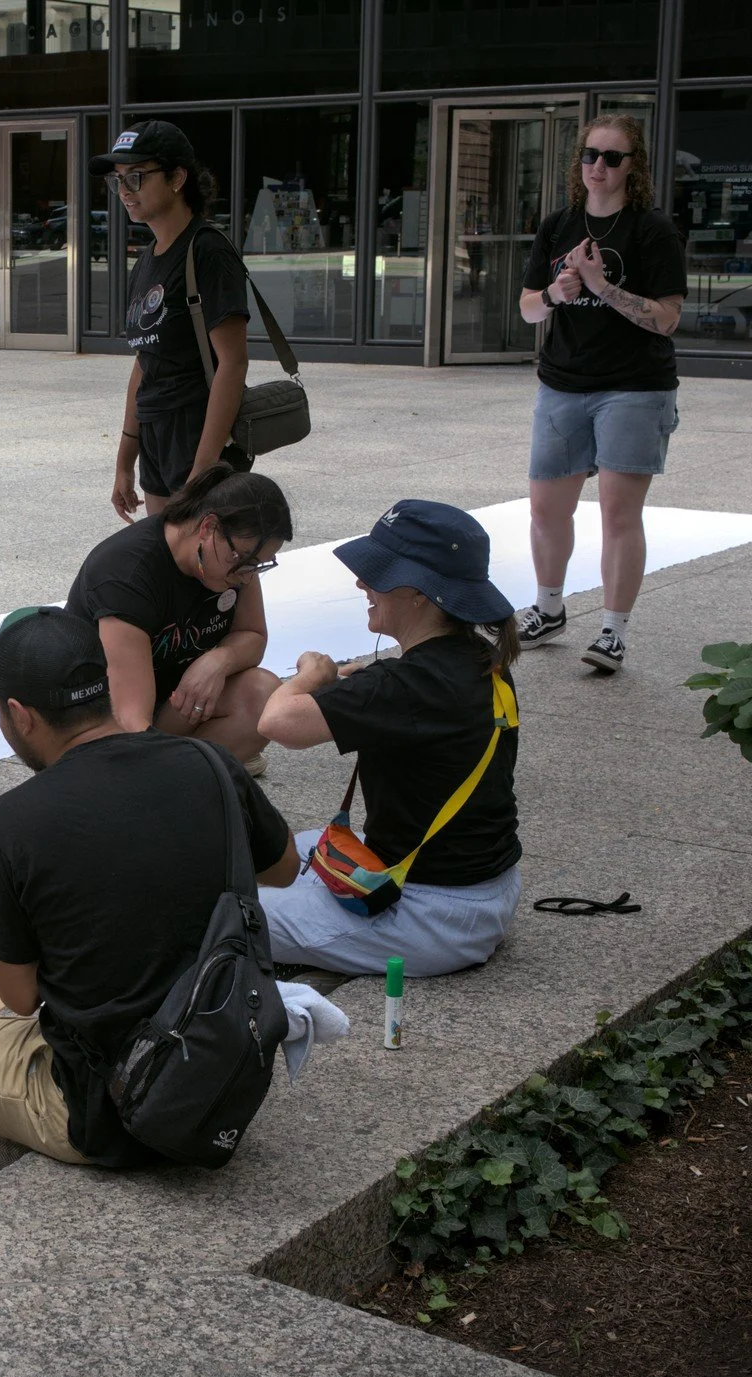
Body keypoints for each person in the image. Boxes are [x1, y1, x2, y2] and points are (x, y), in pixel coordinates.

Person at [0, 608, 298, 1169]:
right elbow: (285, 869)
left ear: (19, 716)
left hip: (104, 1108)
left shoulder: (12, 822)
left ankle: (8, 1135)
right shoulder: (210, 761)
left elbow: (22, 997)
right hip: (223, 1059)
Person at [258, 500, 523, 978]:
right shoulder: (477, 658)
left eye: (376, 575)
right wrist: (359, 692)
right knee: (272, 847)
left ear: (419, 592)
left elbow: (278, 723)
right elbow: (414, 709)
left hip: (432, 914)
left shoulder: (406, 685)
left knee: (216, 918)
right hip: (484, 887)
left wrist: (310, 674)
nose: (362, 584)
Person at [514, 113, 686, 675]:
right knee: (546, 509)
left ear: (633, 168)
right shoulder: (559, 224)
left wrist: (600, 286)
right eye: (590, 155)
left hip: (634, 388)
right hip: (563, 382)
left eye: (612, 158)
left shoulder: (652, 230)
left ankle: (613, 631)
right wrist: (557, 292)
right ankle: (549, 607)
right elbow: (527, 308)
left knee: (618, 513)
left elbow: (665, 319)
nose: (598, 167)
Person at [65, 464, 290, 772]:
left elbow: (253, 635)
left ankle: (189, 773)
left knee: (263, 695)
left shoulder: (233, 564)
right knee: (134, 757)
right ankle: (179, 777)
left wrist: (218, 661)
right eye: (245, 560)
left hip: (171, 704)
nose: (247, 577)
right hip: (99, 718)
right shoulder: (127, 573)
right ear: (208, 527)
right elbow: (130, 718)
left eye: (260, 565)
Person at [95, 121, 250, 522]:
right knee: (166, 565)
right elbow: (143, 363)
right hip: (155, 436)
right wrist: (124, 461)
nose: (125, 191)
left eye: (136, 177)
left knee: (217, 567)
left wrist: (203, 470)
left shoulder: (207, 252)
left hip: (197, 434)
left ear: (178, 177)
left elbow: (232, 363)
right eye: (118, 181)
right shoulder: (148, 259)